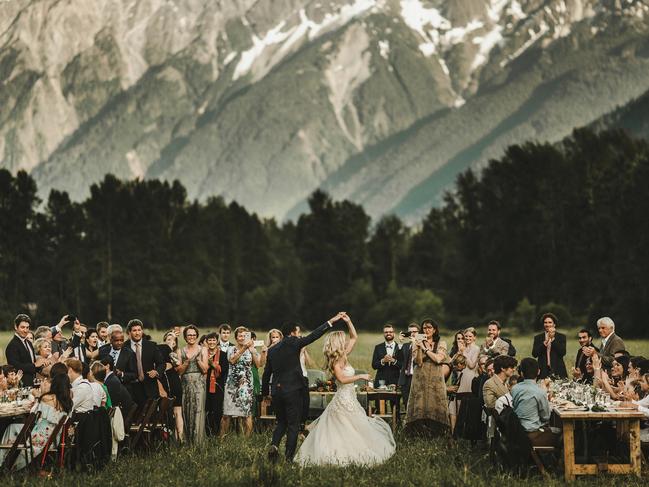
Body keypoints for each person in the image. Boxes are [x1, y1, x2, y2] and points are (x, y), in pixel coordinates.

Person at [294, 313, 396, 466]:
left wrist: (348, 322)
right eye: (343, 339)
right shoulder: (335, 361)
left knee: (354, 426)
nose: (346, 341)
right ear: (338, 343)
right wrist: (360, 377)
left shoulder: (343, 355)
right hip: (343, 398)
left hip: (350, 397)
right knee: (343, 427)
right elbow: (342, 379)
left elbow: (354, 337)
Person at [262, 314, 339, 462]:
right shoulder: (295, 343)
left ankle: (274, 445)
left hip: (277, 392)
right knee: (293, 425)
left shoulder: (272, 350)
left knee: (281, 422)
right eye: (297, 332)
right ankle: (289, 458)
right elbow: (314, 335)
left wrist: (266, 394)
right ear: (292, 333)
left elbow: (266, 374)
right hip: (293, 391)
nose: (299, 334)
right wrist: (331, 322)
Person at [0, 373, 72, 470]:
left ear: (54, 384)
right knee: (12, 427)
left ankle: (4, 462)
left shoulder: (47, 398)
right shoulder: (68, 401)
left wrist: (41, 392)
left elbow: (32, 413)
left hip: (38, 437)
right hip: (53, 439)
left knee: (11, 428)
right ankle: (6, 460)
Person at [404, 319, 450, 437]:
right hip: (420, 377)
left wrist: (425, 349)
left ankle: (437, 433)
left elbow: (438, 359)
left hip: (436, 378)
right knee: (420, 403)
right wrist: (419, 347)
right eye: (424, 328)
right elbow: (418, 362)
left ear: (434, 330)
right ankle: (418, 433)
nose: (427, 330)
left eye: (429, 327)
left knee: (435, 402)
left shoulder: (441, 343)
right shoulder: (417, 343)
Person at [221, 326, 262, 437]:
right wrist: (243, 348)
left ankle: (246, 439)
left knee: (247, 413)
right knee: (226, 413)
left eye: (245, 336)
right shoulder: (231, 349)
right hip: (232, 385)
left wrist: (253, 351)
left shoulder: (251, 350)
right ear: (236, 337)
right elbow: (232, 360)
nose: (242, 338)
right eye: (240, 336)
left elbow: (258, 365)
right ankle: (222, 438)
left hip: (246, 385)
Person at [511, 357, 559, 447]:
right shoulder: (540, 391)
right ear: (538, 372)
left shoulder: (515, 388)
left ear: (521, 373)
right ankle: (556, 460)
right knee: (561, 433)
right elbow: (546, 417)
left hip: (517, 432)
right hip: (532, 435)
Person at [177, 325, 208, 444]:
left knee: (198, 411)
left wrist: (197, 359)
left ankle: (198, 441)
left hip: (199, 384)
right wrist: (186, 362)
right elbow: (179, 371)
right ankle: (187, 441)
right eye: (189, 335)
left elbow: (205, 370)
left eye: (194, 335)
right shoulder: (181, 351)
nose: (192, 337)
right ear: (185, 336)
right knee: (186, 410)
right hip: (185, 384)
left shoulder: (202, 349)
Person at [123, 319, 165, 405]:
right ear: (129, 332)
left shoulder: (151, 345)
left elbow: (161, 363)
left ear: (142, 331)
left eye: (139, 330)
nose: (137, 333)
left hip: (150, 388)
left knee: (151, 417)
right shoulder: (124, 347)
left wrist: (156, 371)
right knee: (134, 417)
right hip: (132, 389)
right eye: (134, 330)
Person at [159, 331, 184, 440]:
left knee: (177, 411)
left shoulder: (176, 352)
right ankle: (170, 437)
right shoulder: (159, 351)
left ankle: (181, 438)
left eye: (173, 340)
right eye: (168, 339)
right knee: (167, 412)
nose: (170, 341)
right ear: (164, 341)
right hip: (164, 383)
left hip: (174, 382)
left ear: (175, 343)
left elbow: (178, 364)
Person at [204, 332, 227, 437]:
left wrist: (213, 365)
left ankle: (216, 433)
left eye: (214, 340)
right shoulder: (203, 354)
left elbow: (225, 371)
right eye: (209, 340)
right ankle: (207, 434)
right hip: (205, 385)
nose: (212, 342)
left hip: (218, 386)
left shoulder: (222, 354)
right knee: (207, 410)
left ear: (217, 341)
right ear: (206, 342)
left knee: (217, 411)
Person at [531, 313, 567, 379]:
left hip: (558, 369)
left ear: (554, 324)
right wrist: (544, 343)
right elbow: (534, 354)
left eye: (550, 322)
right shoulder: (538, 337)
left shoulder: (561, 337)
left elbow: (562, 352)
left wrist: (553, 339)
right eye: (545, 322)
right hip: (542, 369)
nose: (547, 324)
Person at [5, 314, 37, 386]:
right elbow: (15, 367)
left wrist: (41, 364)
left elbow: (32, 362)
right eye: (22, 327)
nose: (25, 330)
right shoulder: (12, 345)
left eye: (27, 327)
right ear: (16, 327)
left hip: (32, 383)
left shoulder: (29, 343)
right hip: (20, 385)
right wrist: (35, 365)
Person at [397, 322, 420, 409]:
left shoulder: (422, 345)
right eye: (410, 332)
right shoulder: (406, 346)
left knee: (417, 403)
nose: (412, 334)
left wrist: (415, 344)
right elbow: (398, 358)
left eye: (415, 331)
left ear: (419, 333)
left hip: (417, 378)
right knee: (407, 403)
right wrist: (400, 342)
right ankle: (408, 421)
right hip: (406, 379)